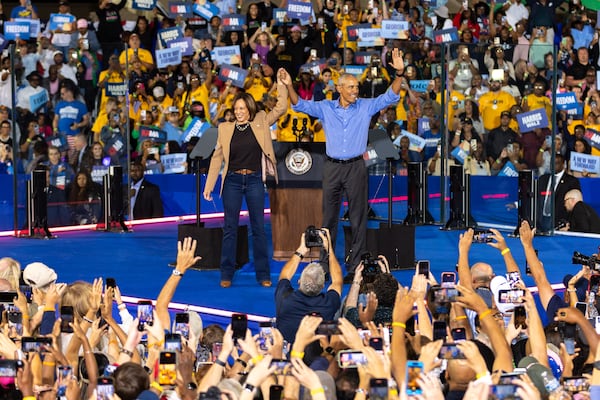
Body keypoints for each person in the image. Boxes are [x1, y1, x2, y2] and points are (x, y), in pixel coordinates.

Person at [282, 48, 405, 282]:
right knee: (328, 219)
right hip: (332, 167)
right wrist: (289, 85)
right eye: (351, 87)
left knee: (359, 218)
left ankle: (354, 267)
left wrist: (399, 73)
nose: (355, 91)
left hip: (356, 167)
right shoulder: (326, 108)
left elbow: (389, 97)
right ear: (339, 88)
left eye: (357, 87)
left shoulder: (366, 106)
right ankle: (325, 266)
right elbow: (299, 105)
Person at [203, 68, 288, 289]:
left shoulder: (260, 121)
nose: (239, 112)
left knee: (258, 228)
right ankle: (227, 273)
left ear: (249, 108)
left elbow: (281, 107)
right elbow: (217, 158)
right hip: (231, 181)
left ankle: (263, 274)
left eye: (242, 108)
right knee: (230, 228)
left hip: (254, 181)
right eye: (236, 108)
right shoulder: (224, 128)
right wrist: (210, 184)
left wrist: (281, 83)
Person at [275, 229, 343, 344]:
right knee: (340, 312)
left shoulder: (284, 298)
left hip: (290, 351)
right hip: (319, 351)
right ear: (322, 286)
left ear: (299, 281)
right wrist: (329, 249)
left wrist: (301, 250)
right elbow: (337, 281)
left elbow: (284, 276)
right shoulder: (329, 303)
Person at [537, 153, 580, 233]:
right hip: (541, 220)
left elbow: (574, 204)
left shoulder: (571, 181)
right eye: (551, 163)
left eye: (556, 163)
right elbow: (535, 196)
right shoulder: (543, 179)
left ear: (563, 165)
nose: (553, 166)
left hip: (559, 222)